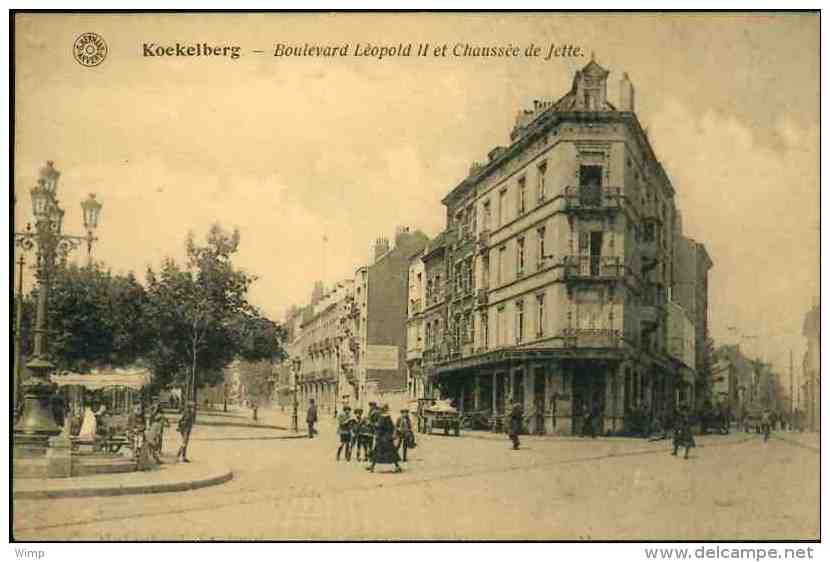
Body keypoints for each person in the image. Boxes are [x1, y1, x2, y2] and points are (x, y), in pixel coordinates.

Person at [366, 404, 402, 473]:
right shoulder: (388, 417)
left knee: (377, 452)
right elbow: (391, 427)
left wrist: (370, 424)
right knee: (391, 452)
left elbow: (379, 426)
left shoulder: (383, 417)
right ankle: (397, 466)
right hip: (387, 438)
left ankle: (372, 467)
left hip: (382, 438)